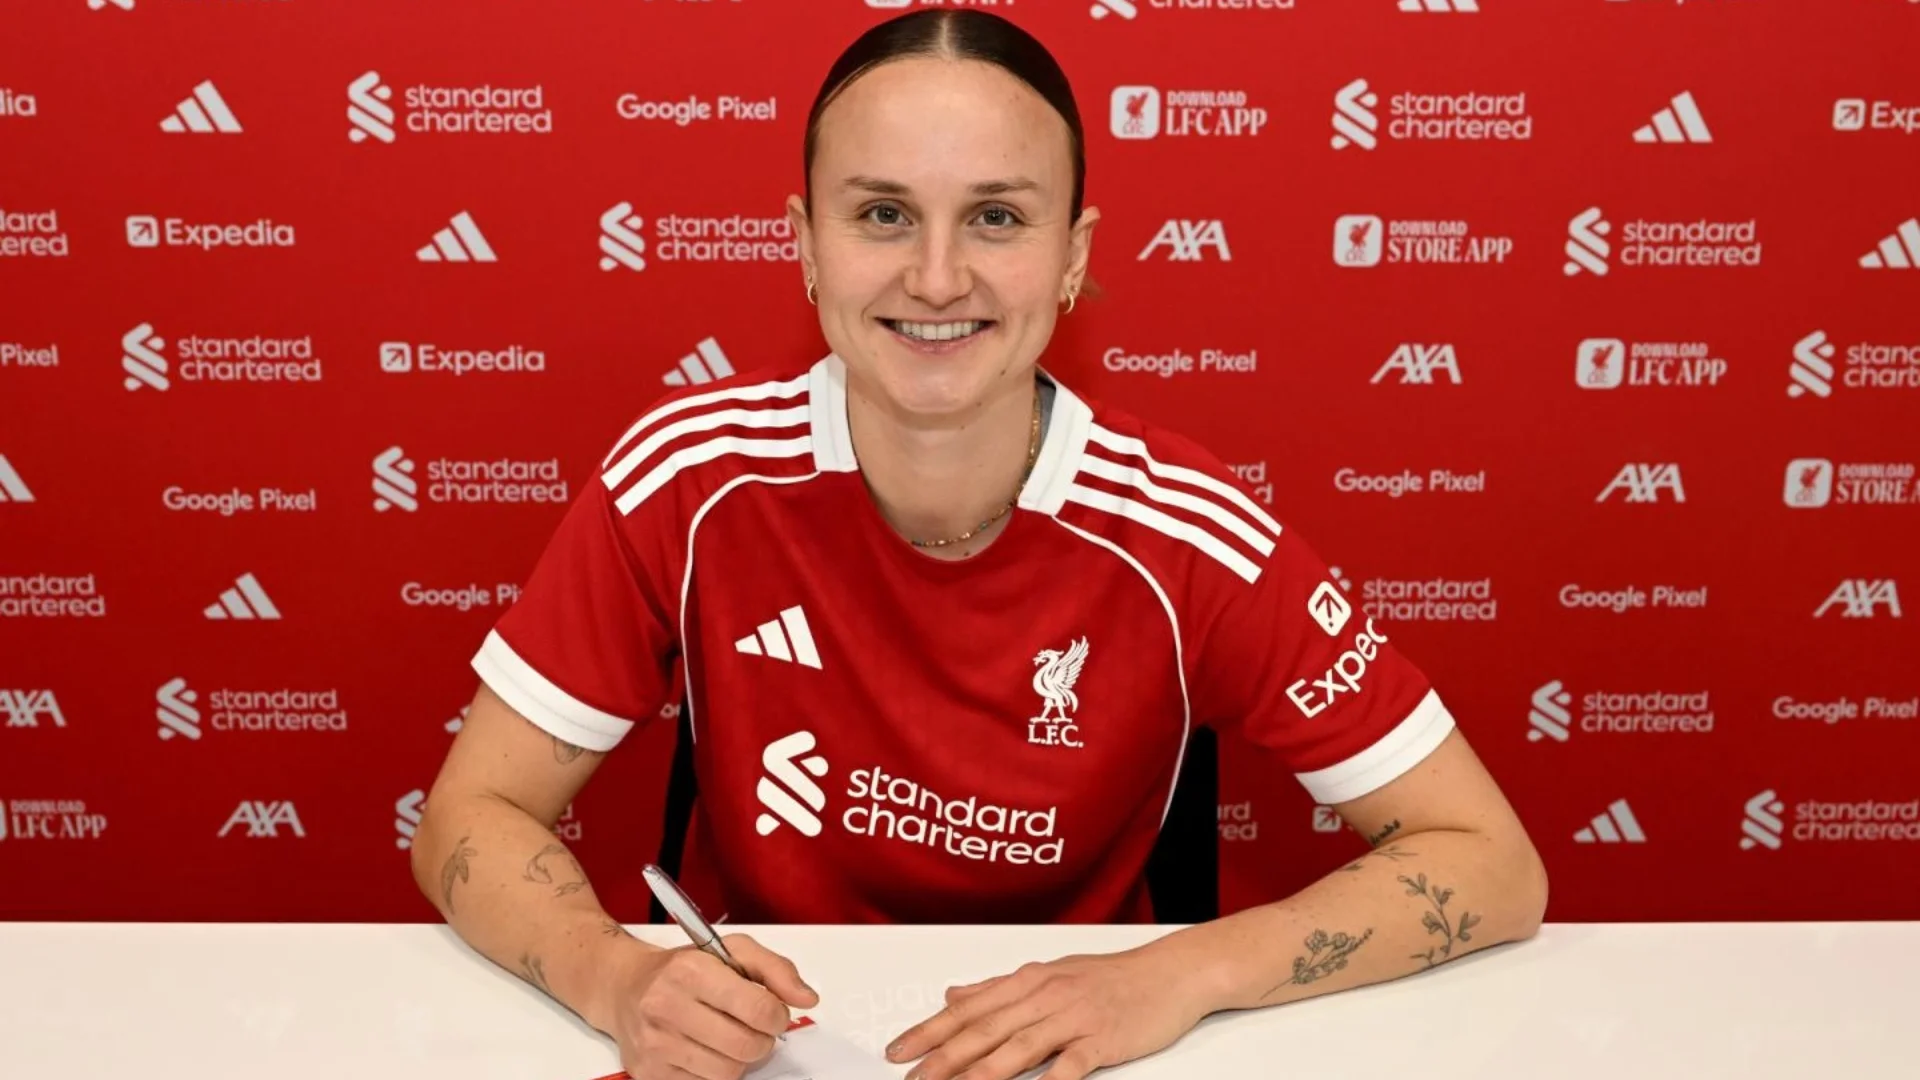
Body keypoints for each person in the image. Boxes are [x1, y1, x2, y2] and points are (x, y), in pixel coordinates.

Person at [408, 10, 1549, 1080]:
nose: (938, 277)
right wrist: (620, 978)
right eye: (882, 213)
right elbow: (471, 813)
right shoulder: (685, 476)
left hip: (1077, 1060)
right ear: (806, 244)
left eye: (997, 216)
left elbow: (1489, 861)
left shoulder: (1189, 530)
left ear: (1071, 254)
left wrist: (1185, 972)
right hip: (769, 1053)